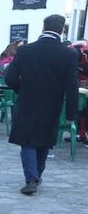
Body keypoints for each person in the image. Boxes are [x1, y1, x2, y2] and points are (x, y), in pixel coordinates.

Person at [6, 13, 80, 195]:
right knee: (44, 140)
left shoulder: (25, 50)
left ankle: (31, 178)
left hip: (28, 101)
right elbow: (72, 86)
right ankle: (37, 174)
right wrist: (71, 113)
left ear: (43, 27)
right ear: (61, 30)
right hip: (52, 103)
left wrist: (21, 90)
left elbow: (10, 78)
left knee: (27, 140)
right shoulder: (68, 54)